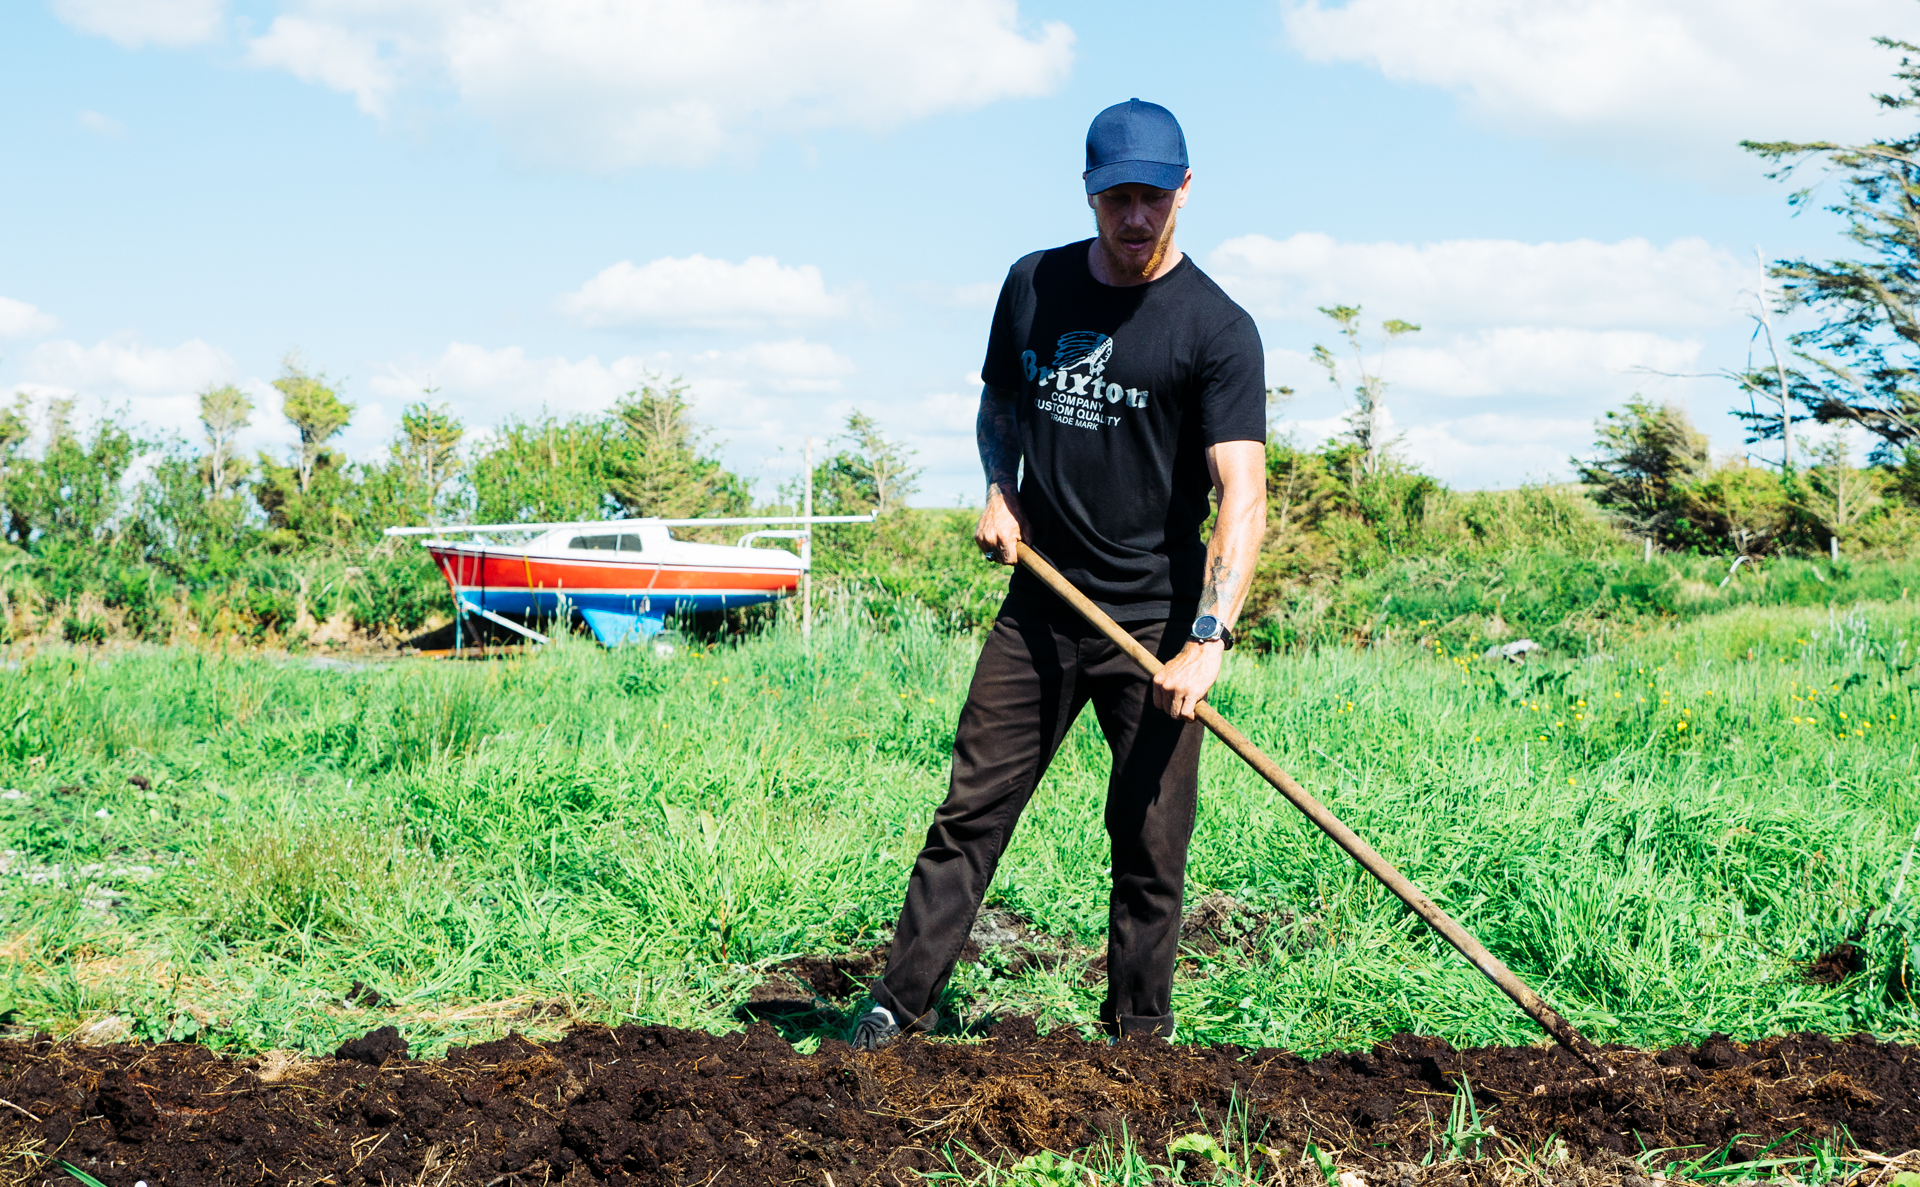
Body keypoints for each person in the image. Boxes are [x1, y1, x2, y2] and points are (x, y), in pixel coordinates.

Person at [851, 99, 1268, 1049]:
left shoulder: (1216, 328)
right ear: (1087, 192)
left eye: (1152, 199)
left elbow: (1241, 492)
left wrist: (1207, 640)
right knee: (970, 812)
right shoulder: (1032, 285)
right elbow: (1001, 401)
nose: (1133, 219)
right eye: (1116, 198)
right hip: (1040, 603)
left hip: (1157, 625)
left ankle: (1141, 1041)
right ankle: (894, 1009)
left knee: (1151, 845)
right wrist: (1001, 486)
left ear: (1185, 191)